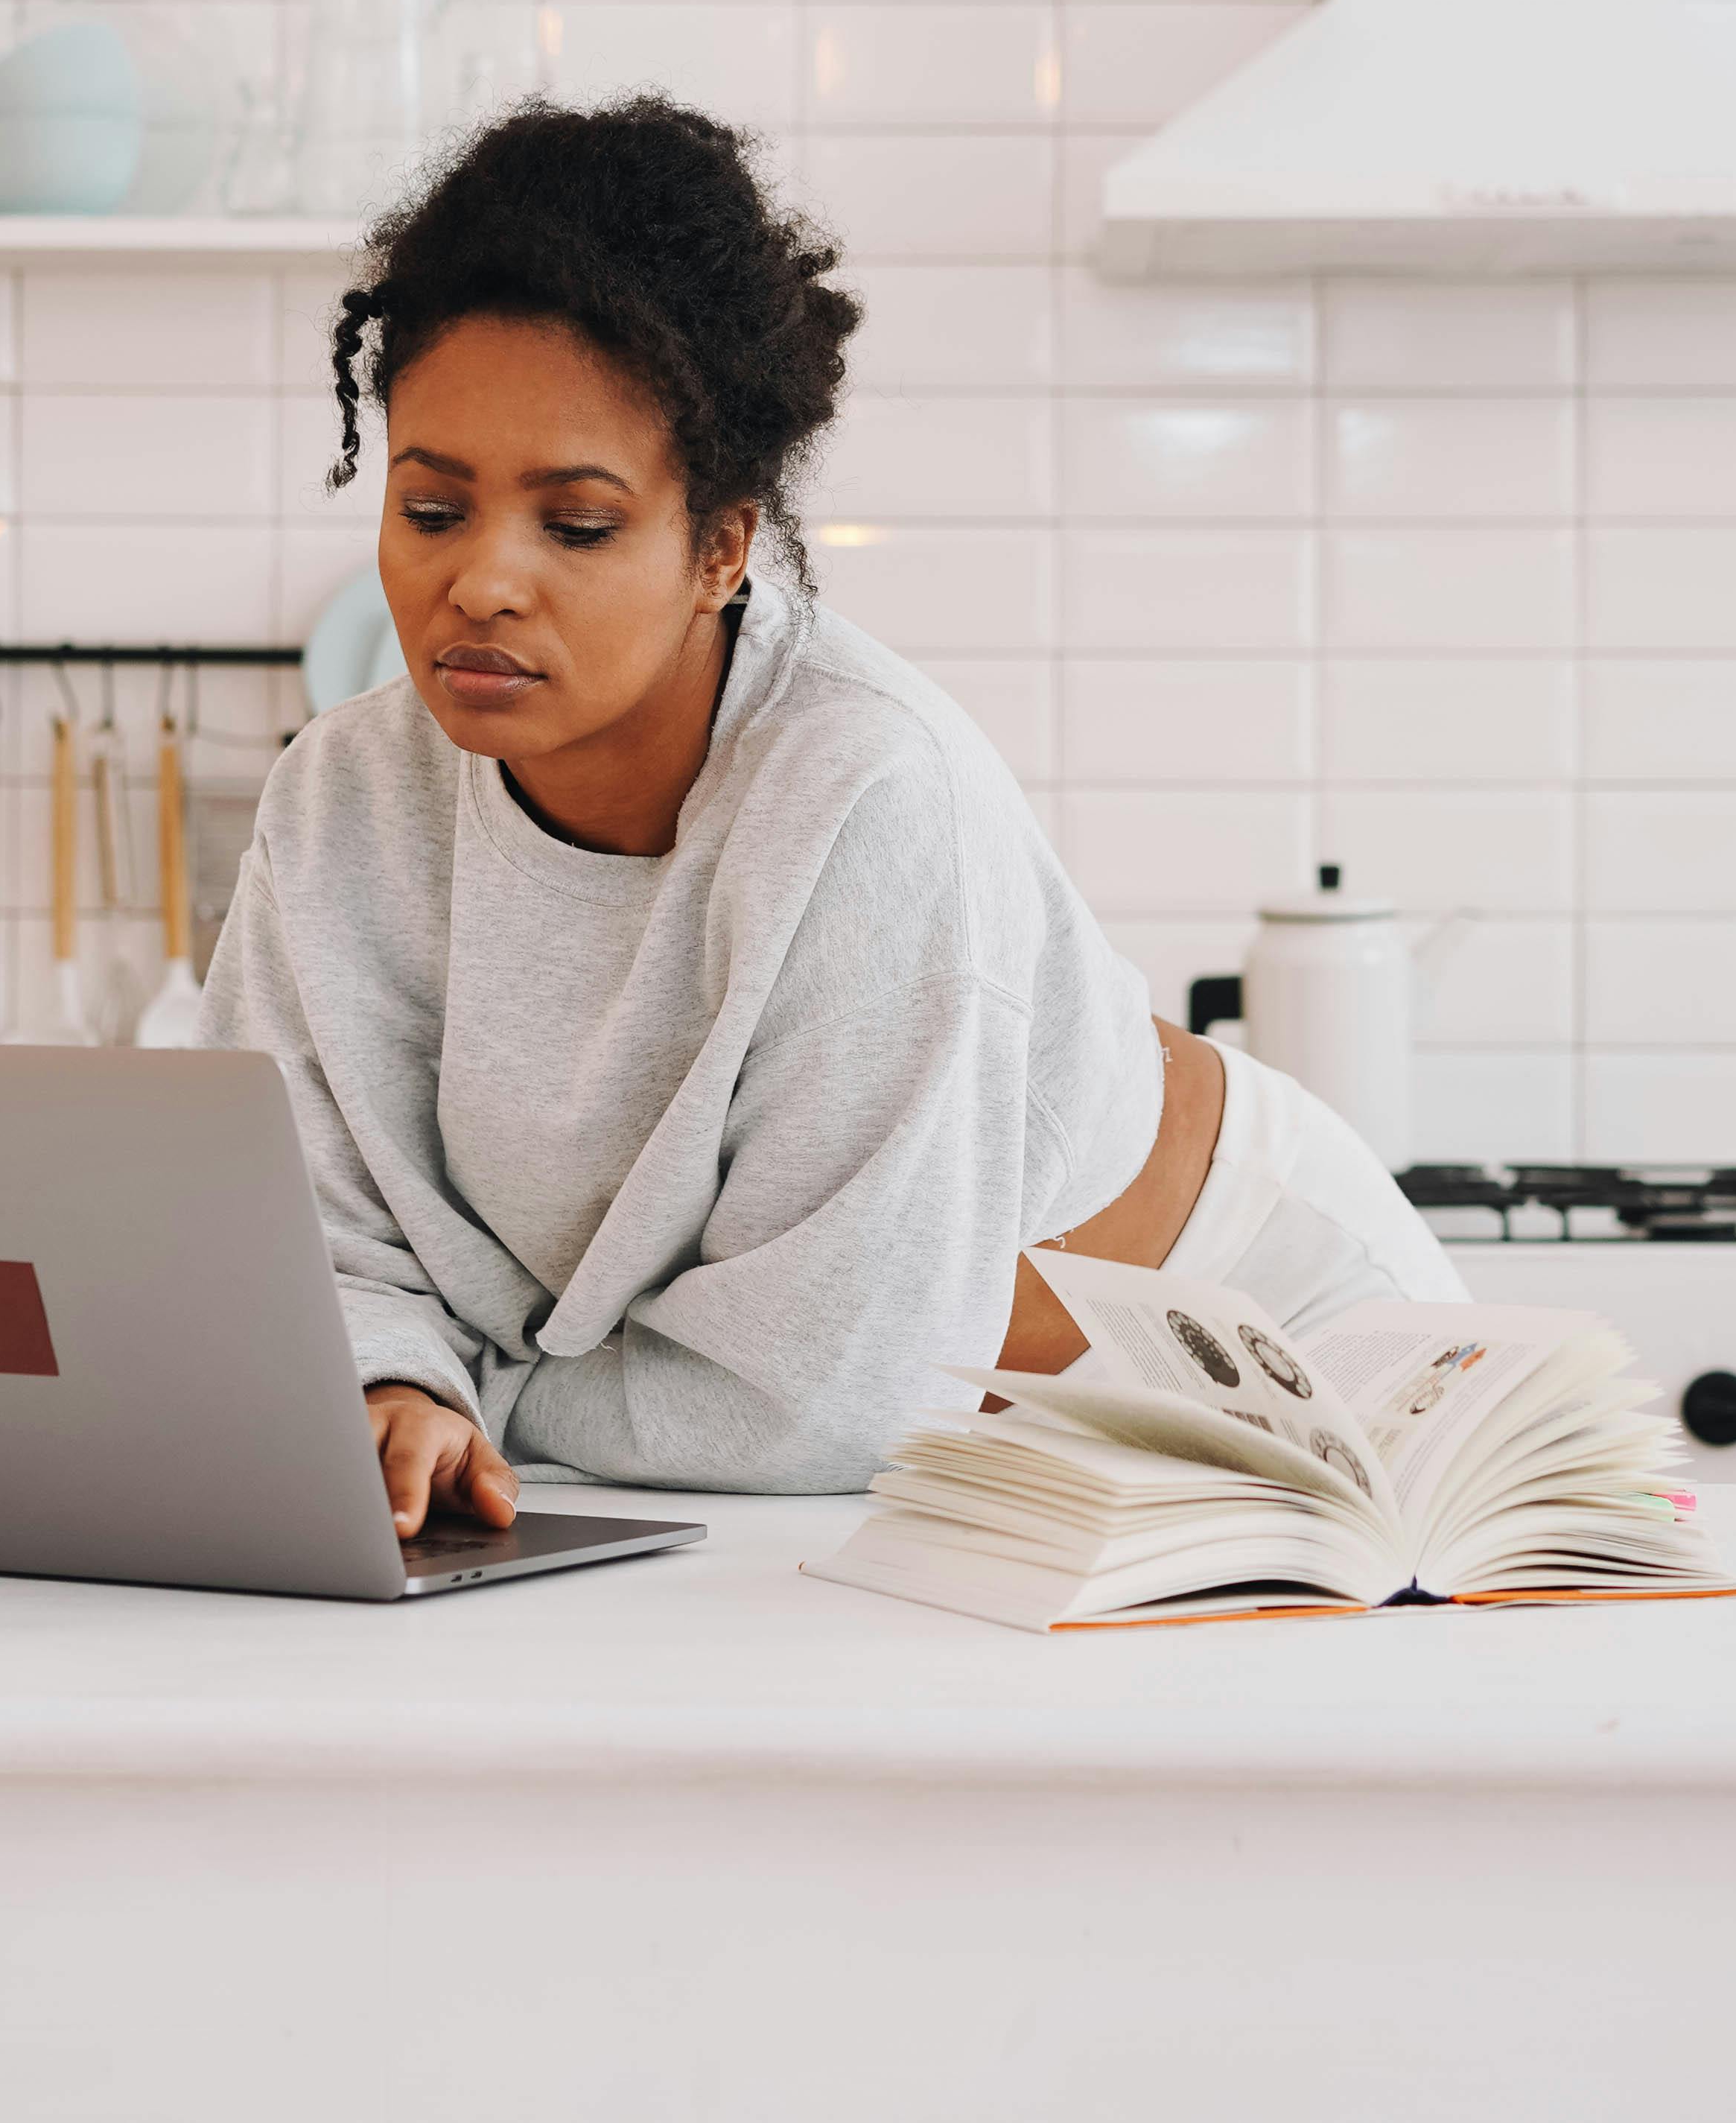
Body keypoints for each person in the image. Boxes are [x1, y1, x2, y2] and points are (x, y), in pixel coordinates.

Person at [203, 96, 1463, 1537]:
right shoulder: (339, 806)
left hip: (1274, 1355)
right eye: (431, 512)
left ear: (719, 550)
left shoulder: (868, 796)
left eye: (578, 525)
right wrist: (389, 1388)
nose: (481, 582)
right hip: (908, 1448)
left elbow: (810, 1406)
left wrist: (470, 1385)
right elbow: (303, 1242)